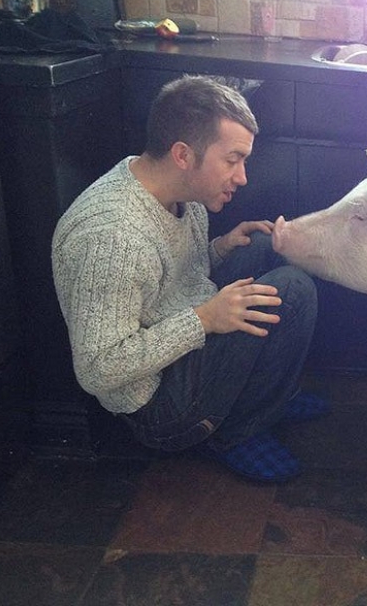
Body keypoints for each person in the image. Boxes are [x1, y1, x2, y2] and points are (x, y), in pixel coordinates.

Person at [52, 75, 325, 483]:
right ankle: (236, 431)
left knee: (267, 246)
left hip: (178, 341)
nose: (242, 176)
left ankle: (267, 398)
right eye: (232, 160)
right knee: (294, 292)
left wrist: (221, 248)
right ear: (183, 154)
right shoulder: (111, 238)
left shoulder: (179, 192)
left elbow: (172, 279)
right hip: (157, 406)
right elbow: (98, 369)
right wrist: (203, 320)